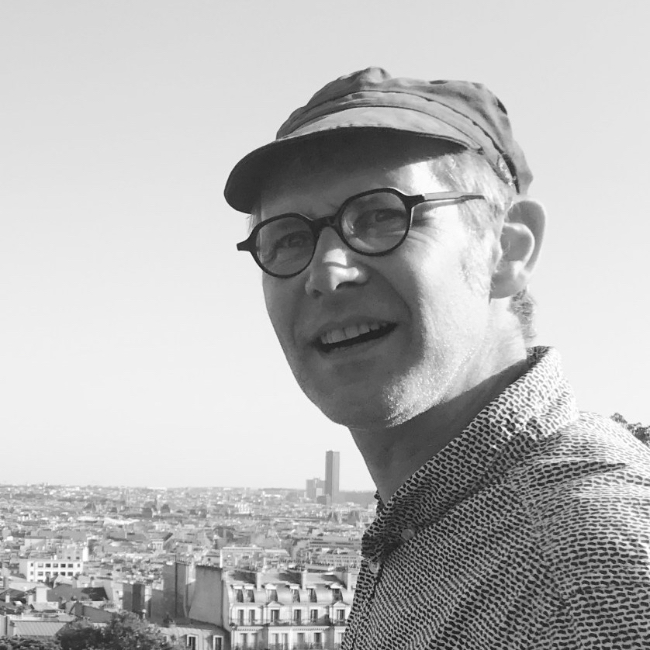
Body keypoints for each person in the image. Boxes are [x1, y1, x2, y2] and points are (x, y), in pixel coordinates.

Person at [224, 68, 650, 648]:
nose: (326, 272)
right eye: (289, 238)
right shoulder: (441, 529)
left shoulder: (591, 580)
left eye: (382, 215)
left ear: (506, 251)